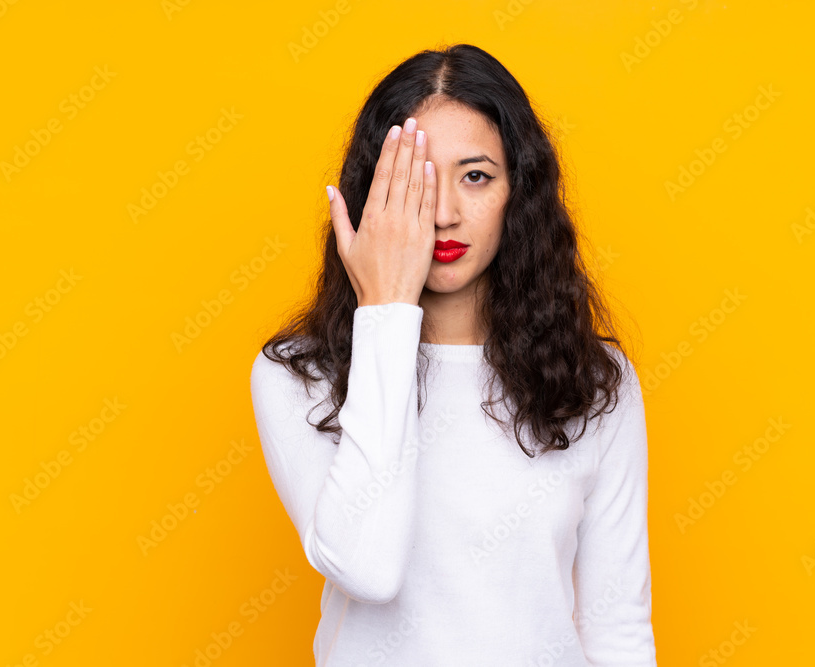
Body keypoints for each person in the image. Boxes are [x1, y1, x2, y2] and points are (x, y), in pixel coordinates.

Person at [250, 43, 657, 666]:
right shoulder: (296, 375)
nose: (442, 214)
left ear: (517, 193)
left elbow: (617, 626)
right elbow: (368, 567)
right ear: (372, 193)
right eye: (417, 181)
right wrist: (385, 310)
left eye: (475, 176)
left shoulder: (595, 382)